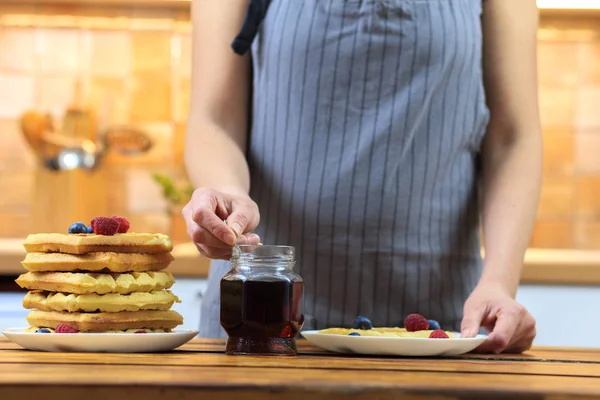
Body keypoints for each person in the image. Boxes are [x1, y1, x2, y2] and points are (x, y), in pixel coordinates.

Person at [182, 0, 541, 353]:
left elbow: (512, 138)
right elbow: (213, 121)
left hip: (443, 326)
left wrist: (499, 283)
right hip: (261, 321)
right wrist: (229, 194)